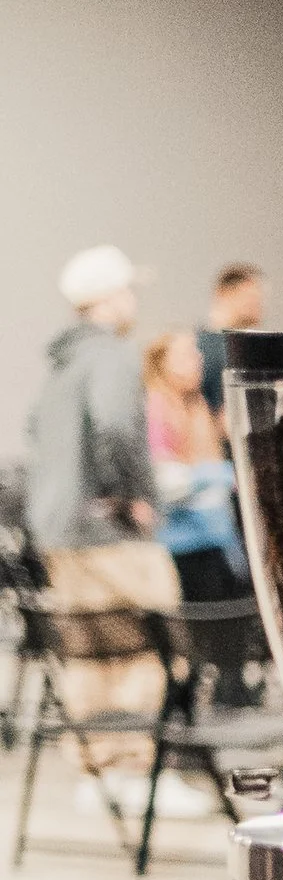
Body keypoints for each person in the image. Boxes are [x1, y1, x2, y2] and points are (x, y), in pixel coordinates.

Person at [24, 243, 180, 769]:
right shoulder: (110, 355)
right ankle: (135, 765)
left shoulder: (60, 365)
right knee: (151, 637)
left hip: (59, 527)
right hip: (105, 525)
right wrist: (136, 495)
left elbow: (34, 435)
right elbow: (115, 426)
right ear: (111, 298)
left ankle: (98, 769)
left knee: (89, 648)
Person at [143, 329, 249, 599]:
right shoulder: (157, 409)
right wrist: (222, 476)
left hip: (218, 542)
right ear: (163, 364)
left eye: (196, 352)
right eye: (186, 355)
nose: (198, 360)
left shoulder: (197, 406)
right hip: (184, 547)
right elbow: (165, 482)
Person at [197, 264, 267, 429]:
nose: (258, 306)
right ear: (224, 293)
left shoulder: (249, 348)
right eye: (251, 297)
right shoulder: (199, 348)